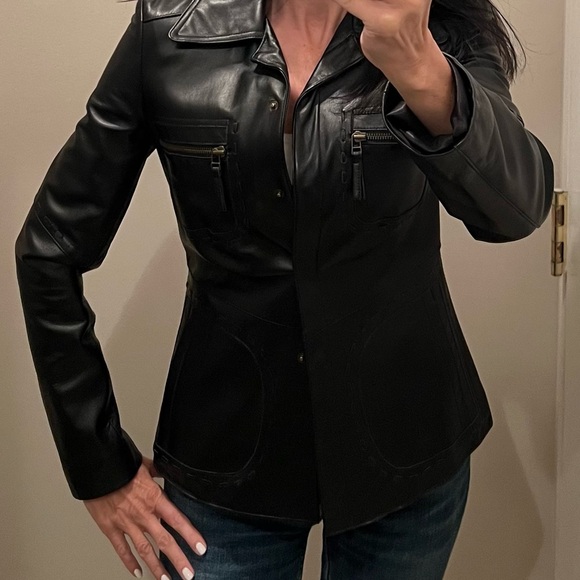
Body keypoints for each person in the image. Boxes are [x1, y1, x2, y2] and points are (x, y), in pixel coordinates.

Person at [15, 0, 554, 578]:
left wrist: (419, 66)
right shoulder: (170, 27)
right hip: (227, 458)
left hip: (407, 444)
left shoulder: (435, 22)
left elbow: (515, 210)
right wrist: (99, 467)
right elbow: (49, 248)